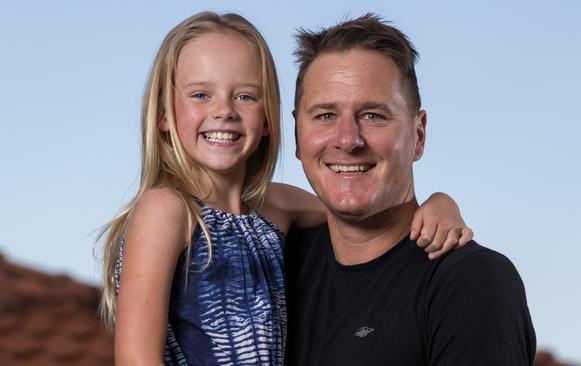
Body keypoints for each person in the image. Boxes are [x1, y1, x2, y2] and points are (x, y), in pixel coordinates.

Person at [98, 11, 472, 366]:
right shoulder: (165, 210)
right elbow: (136, 359)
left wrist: (441, 203)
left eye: (245, 96)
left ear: (267, 119)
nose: (224, 110)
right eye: (200, 95)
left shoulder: (274, 208)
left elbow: (361, 207)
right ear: (164, 113)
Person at [284, 13, 536, 365]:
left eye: (373, 115)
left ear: (418, 135)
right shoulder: (276, 267)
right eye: (325, 115)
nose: (348, 140)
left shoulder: (470, 283)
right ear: (297, 135)